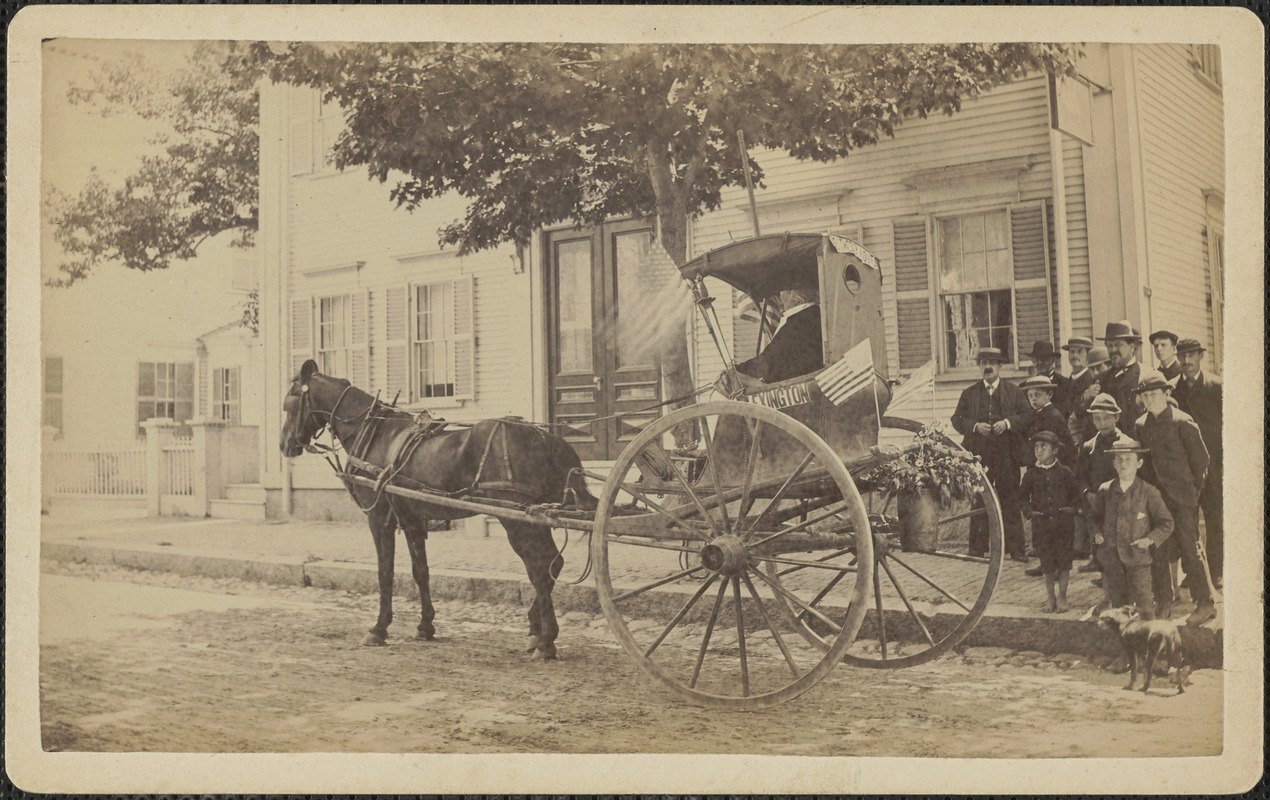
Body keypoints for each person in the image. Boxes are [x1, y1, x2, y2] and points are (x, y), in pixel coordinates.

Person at [1131, 371, 1216, 625]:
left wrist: (1191, 492)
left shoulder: (1182, 421)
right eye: (1145, 396)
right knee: (1157, 549)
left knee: (1191, 549)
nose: (1149, 399)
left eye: (1154, 394)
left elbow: (1201, 461)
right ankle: (1164, 600)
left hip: (1182, 499)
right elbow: (1143, 463)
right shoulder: (1140, 425)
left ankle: (1205, 604)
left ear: (1167, 394)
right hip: (1156, 501)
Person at [950, 347, 1030, 561]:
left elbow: (1028, 416)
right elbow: (956, 419)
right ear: (979, 366)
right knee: (979, 500)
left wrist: (1008, 423)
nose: (988, 366)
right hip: (979, 455)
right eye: (984, 362)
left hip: (1007, 455)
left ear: (1000, 366)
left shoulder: (1014, 392)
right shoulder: (969, 393)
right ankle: (977, 549)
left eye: (992, 362)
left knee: (1010, 500)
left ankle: (1016, 550)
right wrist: (975, 426)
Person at [1089, 437, 1174, 619]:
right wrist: (1096, 534)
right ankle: (1126, 644)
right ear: (1113, 463)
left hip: (1138, 559)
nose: (1123, 463)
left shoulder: (1148, 492)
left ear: (1139, 463)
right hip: (1112, 559)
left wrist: (1149, 540)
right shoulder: (1106, 490)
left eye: (1129, 459)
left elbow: (1166, 523)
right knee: (1120, 608)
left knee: (1144, 607)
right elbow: (1093, 518)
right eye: (1119, 459)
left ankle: (1147, 644)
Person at [1171, 338, 1223, 589]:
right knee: (1186, 522)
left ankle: (1217, 570)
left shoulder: (1216, 386)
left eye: (1192, 355)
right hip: (1184, 470)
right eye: (1182, 356)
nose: (1187, 361)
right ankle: (1192, 572)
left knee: (1214, 519)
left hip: (1212, 468)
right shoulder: (1170, 389)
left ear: (1201, 356)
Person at [1018, 431, 1081, 611]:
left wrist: (1072, 510)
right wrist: (1030, 512)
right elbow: (1021, 498)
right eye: (1036, 447)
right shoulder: (1030, 474)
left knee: (1063, 563)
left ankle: (1062, 597)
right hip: (1042, 526)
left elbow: (1077, 497)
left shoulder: (1065, 472)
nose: (1039, 450)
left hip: (1064, 526)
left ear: (1054, 450)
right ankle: (1050, 598)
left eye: (1044, 447)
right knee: (1047, 564)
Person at [1075, 393, 1132, 577]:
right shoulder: (1088, 447)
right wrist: (1087, 493)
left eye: (1107, 418)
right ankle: (1106, 577)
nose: (1102, 422)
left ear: (1116, 417)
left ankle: (1123, 577)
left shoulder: (1126, 444)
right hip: (1097, 504)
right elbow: (1080, 477)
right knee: (1101, 543)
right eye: (1097, 418)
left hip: (1121, 502)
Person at [732, 287, 822, 386]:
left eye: (783, 294)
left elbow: (770, 360)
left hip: (796, 388)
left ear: (797, 299)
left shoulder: (800, 319)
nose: (779, 299)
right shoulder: (814, 315)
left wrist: (738, 371)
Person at [1096, 320, 1143, 435]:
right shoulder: (1101, 379)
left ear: (1132, 347)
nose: (1113, 350)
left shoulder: (1145, 375)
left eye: (1118, 345)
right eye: (1109, 346)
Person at [1071, 344, 1112, 442]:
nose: (1096, 372)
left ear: (1109, 365)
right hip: (1093, 438)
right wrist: (1086, 396)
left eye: (1099, 368)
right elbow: (1077, 414)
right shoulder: (1091, 386)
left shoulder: (1114, 384)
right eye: (1092, 369)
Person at [1061, 336, 1096, 444]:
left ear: (1087, 356)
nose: (1075, 356)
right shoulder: (1069, 380)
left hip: (1085, 437)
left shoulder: (1091, 379)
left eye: (1080, 351)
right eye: (1072, 352)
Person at [1027, 340, 1071, 417]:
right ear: (1032, 361)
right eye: (1036, 359)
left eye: (1044, 359)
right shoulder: (1026, 387)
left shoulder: (1065, 384)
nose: (1040, 362)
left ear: (1053, 360)